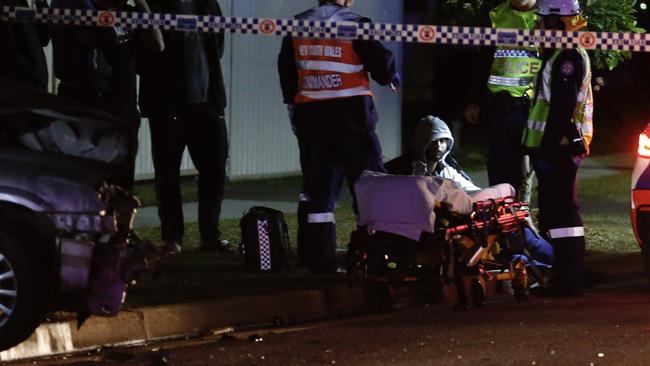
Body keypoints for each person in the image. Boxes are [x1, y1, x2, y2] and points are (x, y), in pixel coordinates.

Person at [278, 0, 399, 273]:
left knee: (319, 194)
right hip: (352, 118)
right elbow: (382, 65)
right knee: (371, 187)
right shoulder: (355, 24)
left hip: (312, 119)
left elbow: (287, 72)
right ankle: (375, 257)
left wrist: (293, 109)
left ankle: (320, 261)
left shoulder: (297, 24)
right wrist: (391, 74)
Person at [385, 115, 553, 267]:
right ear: (422, 141)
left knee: (511, 220)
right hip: (431, 225)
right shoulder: (403, 168)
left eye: (442, 141)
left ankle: (553, 263)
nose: (438, 146)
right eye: (433, 140)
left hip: (456, 220)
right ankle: (554, 264)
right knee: (511, 220)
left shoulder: (448, 168)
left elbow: (471, 192)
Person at [139, 0, 229, 255]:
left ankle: (210, 236)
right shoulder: (153, 5)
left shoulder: (208, 4)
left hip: (207, 101)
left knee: (215, 167)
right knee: (167, 173)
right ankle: (172, 238)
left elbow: (218, 46)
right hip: (168, 104)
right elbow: (147, 50)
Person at [51, 0, 163, 189]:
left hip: (124, 108)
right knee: (90, 181)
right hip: (92, 105)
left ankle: (119, 217)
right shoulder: (77, 6)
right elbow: (105, 37)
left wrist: (142, 5)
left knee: (122, 183)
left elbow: (157, 45)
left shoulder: (127, 13)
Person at [522, 0, 593, 296]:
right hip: (556, 146)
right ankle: (564, 276)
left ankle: (569, 279)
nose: (539, 27)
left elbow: (562, 106)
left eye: (543, 22)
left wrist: (549, 144)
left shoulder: (566, 56)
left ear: (555, 22)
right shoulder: (560, 53)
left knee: (563, 211)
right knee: (555, 210)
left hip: (560, 148)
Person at [464, 0, 541, 203]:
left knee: (545, 171)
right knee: (501, 174)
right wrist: (475, 100)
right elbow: (482, 60)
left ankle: (531, 225)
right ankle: (505, 222)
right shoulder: (495, 15)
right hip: (501, 109)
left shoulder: (548, 16)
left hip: (537, 109)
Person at [0, 0, 50, 90]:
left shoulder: (21, 2)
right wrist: (32, 76)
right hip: (21, 88)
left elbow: (44, 38)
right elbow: (8, 52)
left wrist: (41, 3)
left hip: (34, 86)